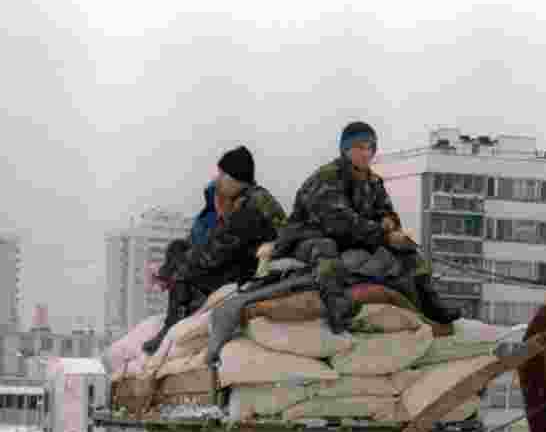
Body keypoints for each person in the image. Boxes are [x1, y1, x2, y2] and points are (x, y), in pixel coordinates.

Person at [273, 121, 460, 332]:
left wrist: (390, 223)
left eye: (371, 148)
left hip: (352, 239)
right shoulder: (327, 178)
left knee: (406, 248)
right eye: (360, 147)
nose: (367, 153)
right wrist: (383, 235)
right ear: (346, 149)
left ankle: (431, 302)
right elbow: (340, 223)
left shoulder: (373, 182)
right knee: (324, 247)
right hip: (308, 237)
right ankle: (336, 306)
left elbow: (387, 212)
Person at [142, 146, 287, 354]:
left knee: (186, 272)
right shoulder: (252, 200)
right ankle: (175, 316)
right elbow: (214, 243)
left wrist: (176, 271)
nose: (218, 180)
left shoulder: (248, 209)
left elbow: (214, 252)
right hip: (250, 263)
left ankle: (171, 328)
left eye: (221, 174)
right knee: (182, 252)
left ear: (233, 178)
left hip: (254, 273)